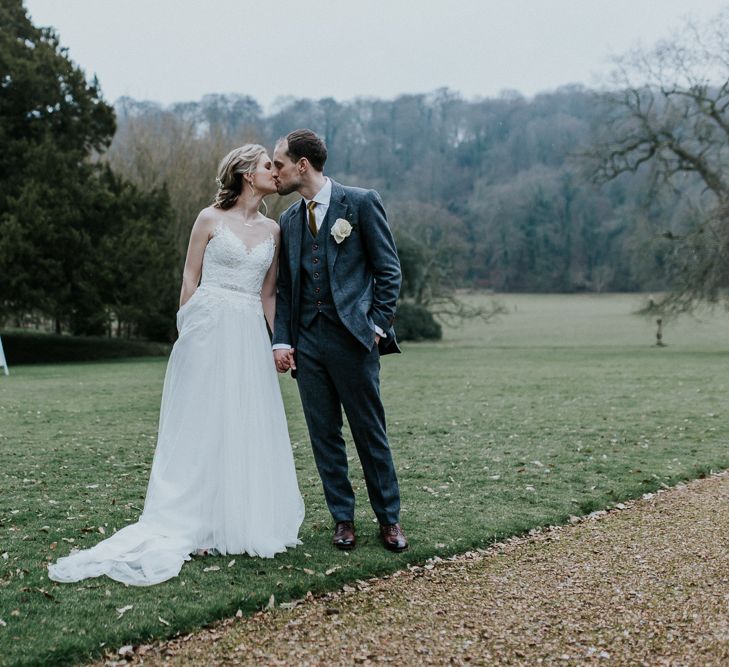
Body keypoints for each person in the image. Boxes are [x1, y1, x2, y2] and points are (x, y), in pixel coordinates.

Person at [48, 145, 304, 586]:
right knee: (202, 423)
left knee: (241, 422)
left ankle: (238, 518)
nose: (274, 172)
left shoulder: (274, 229)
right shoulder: (209, 219)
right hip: (206, 328)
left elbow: (268, 294)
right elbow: (190, 277)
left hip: (246, 332)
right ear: (246, 173)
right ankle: (195, 521)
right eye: (267, 165)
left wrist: (277, 341)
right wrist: (188, 327)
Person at [271, 129, 408, 552]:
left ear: (302, 165)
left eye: (278, 164)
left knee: (370, 432)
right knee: (323, 436)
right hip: (308, 347)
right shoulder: (289, 221)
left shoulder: (362, 203)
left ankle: (389, 520)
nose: (274, 172)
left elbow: (389, 271)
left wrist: (376, 326)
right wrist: (282, 340)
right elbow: (287, 289)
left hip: (354, 340)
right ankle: (342, 520)